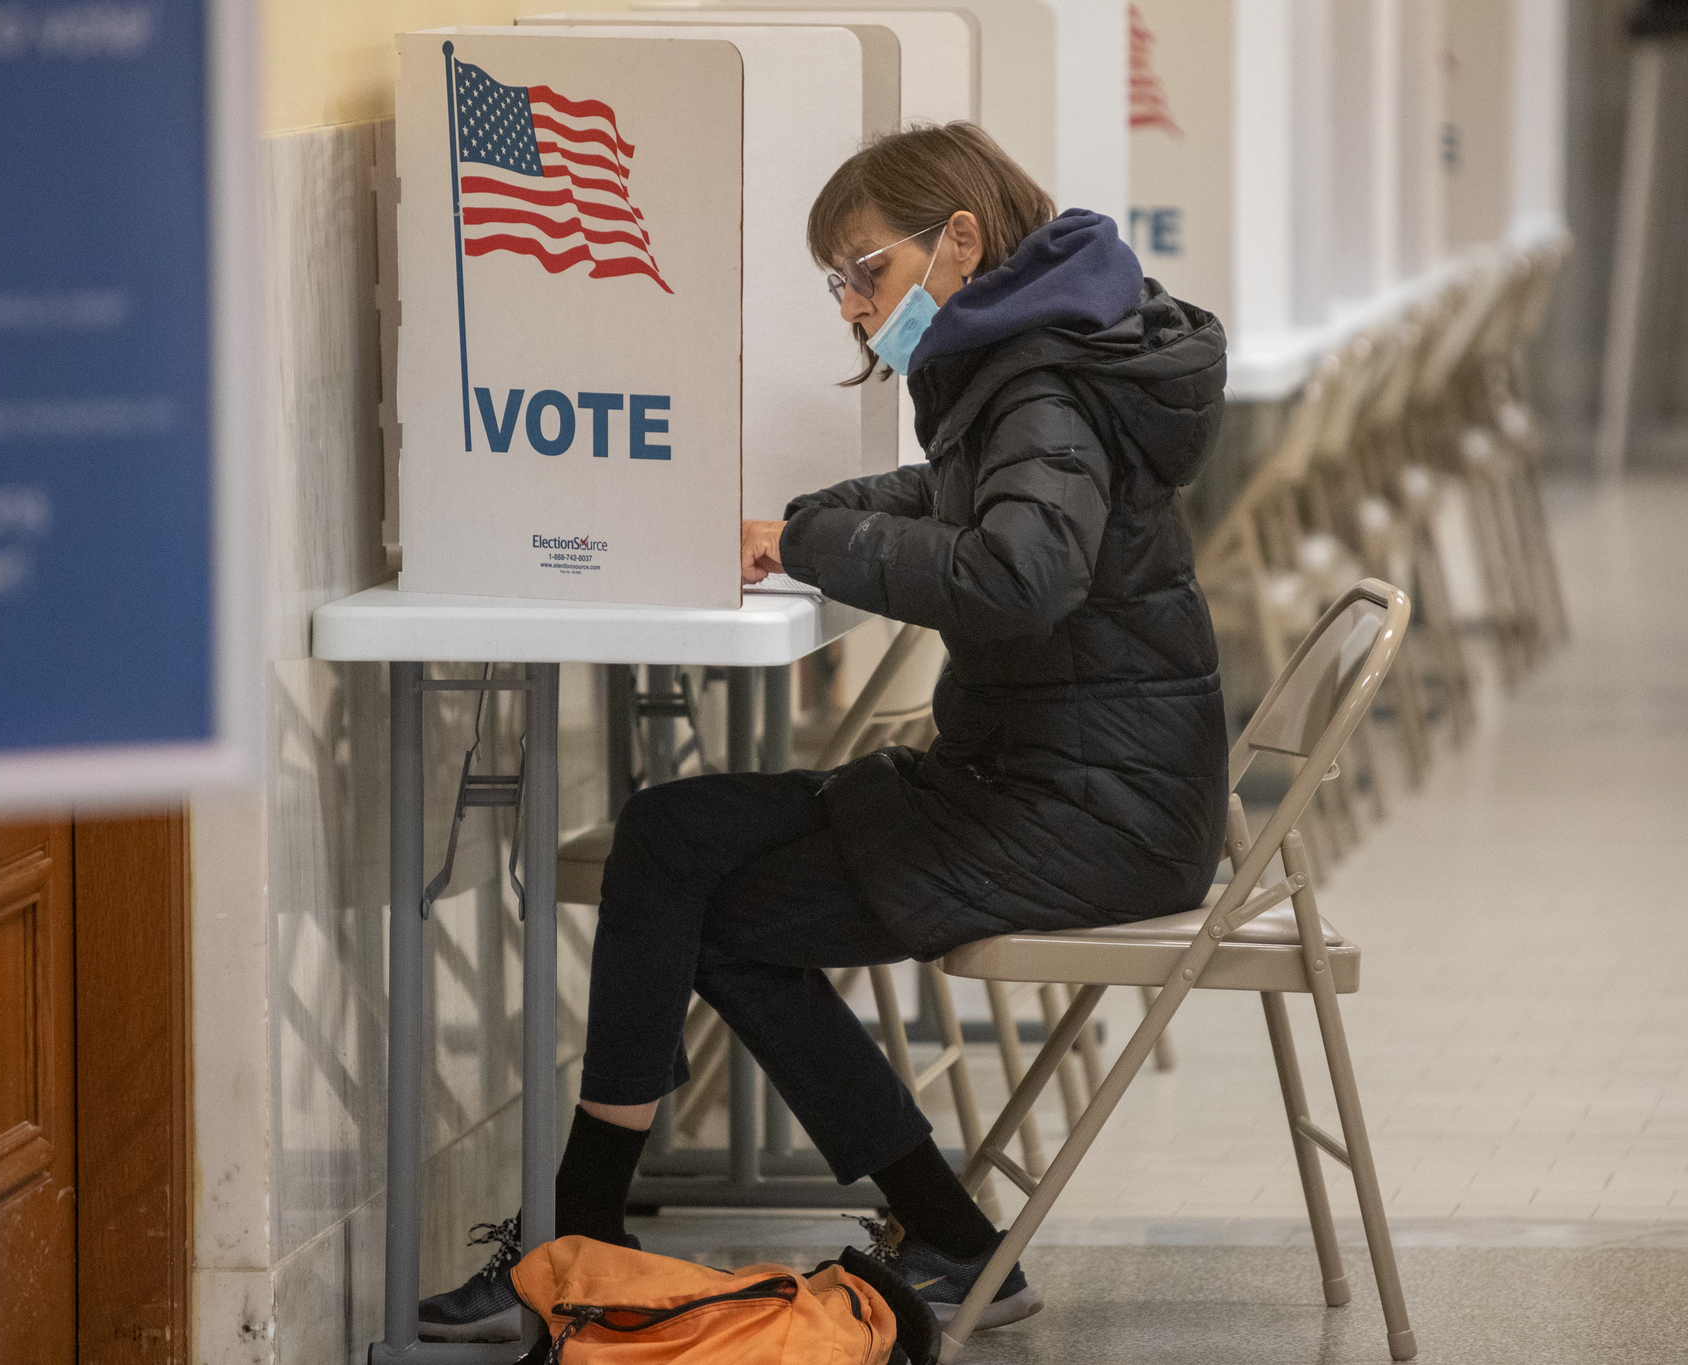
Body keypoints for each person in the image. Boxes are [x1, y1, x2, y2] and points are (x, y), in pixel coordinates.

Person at [419, 122, 1229, 1344]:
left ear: (958, 239)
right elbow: (954, 498)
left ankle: (600, 1241)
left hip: (1085, 807)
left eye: (866, 273)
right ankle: (641, 1235)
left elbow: (1019, 576)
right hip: (1051, 774)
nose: (854, 309)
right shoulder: (1035, 353)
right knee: (672, 833)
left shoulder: (1045, 382)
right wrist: (796, 521)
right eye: (838, 284)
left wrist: (802, 544)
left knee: (705, 893)